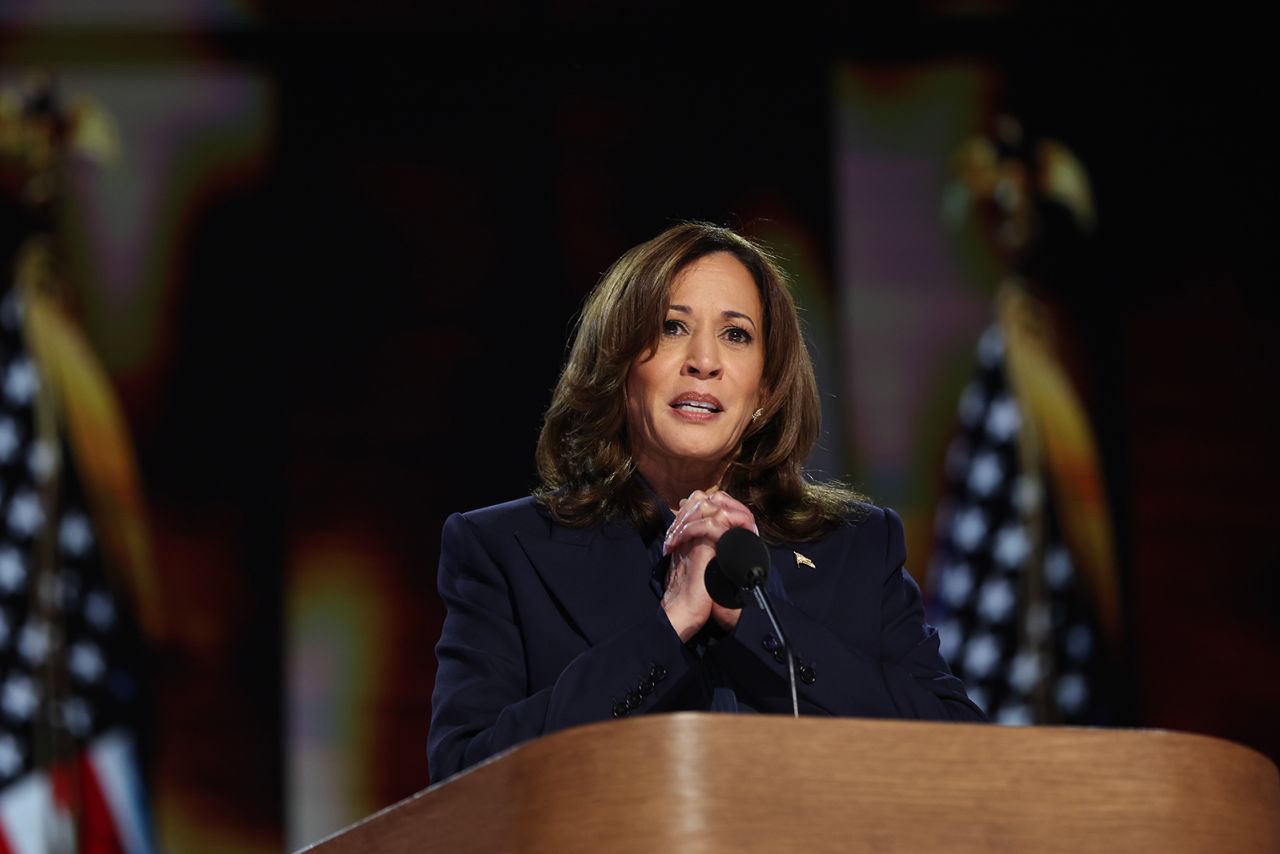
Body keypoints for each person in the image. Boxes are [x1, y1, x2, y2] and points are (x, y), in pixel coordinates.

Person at [428, 222, 985, 781]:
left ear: (764, 391)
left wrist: (758, 624)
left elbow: (958, 751)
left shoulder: (857, 548)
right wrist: (668, 626)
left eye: (736, 334)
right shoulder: (506, 552)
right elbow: (464, 777)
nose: (704, 361)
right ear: (620, 367)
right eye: (672, 328)